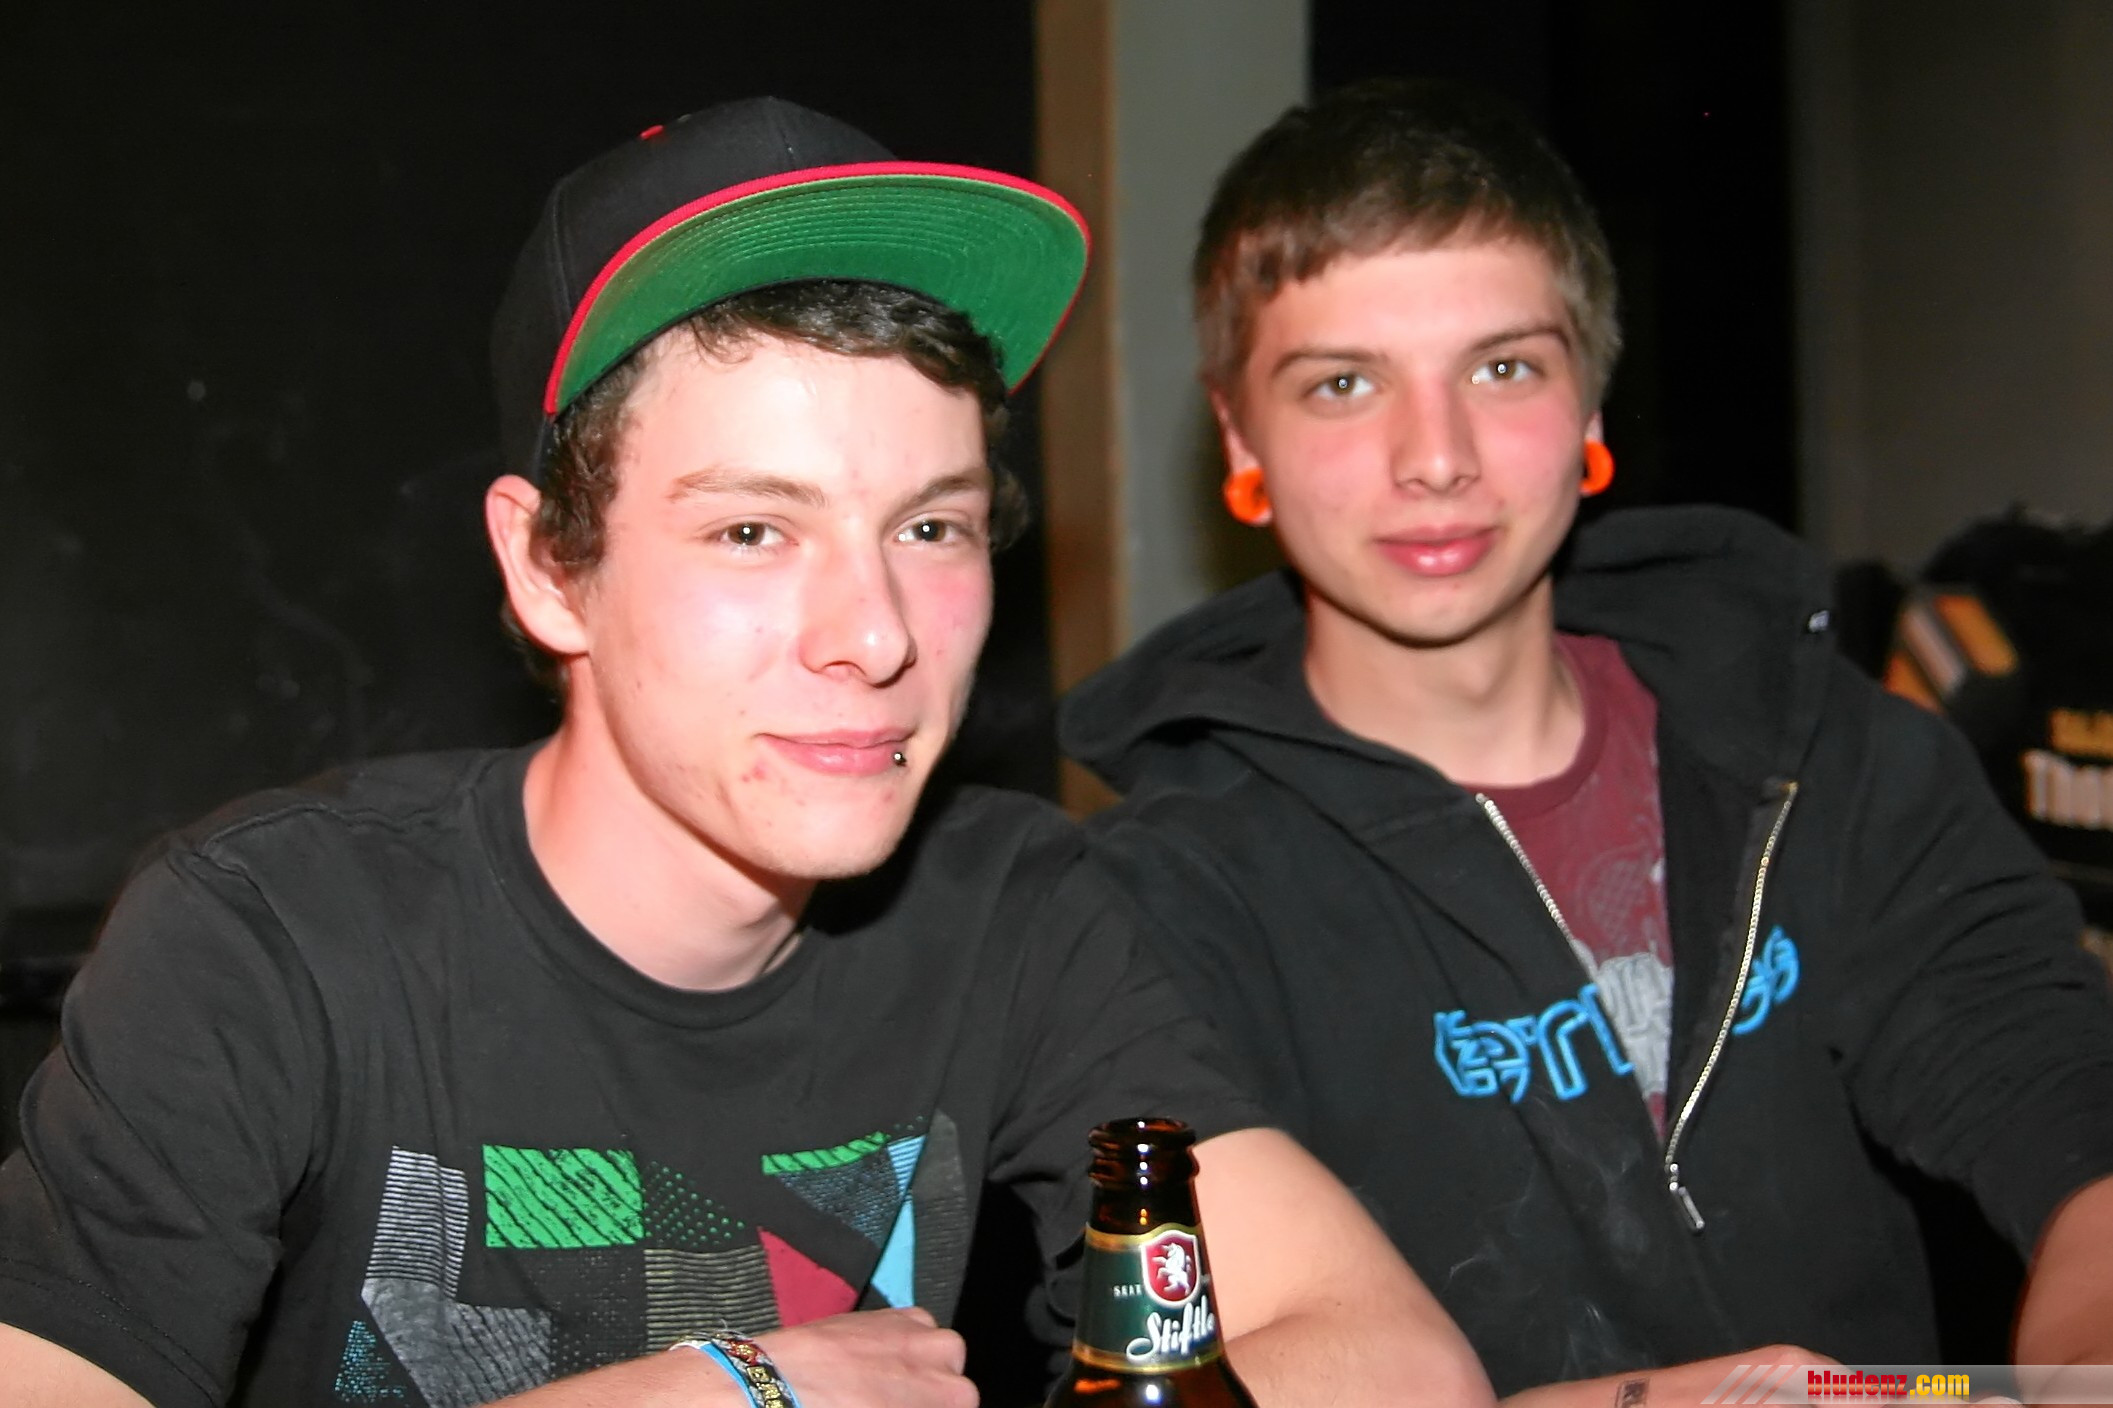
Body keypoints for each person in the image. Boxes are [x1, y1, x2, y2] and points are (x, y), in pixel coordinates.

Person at [0, 98, 1491, 1408]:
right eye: (752, 531)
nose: (875, 635)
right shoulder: (271, 940)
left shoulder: (1012, 913)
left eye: (931, 525)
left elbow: (1392, 1362)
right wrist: (715, 1393)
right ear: (548, 568)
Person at [1058, 78, 2113, 1403]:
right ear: (1239, 436)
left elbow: (2065, 1115)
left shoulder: (1822, 752)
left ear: (1591, 407)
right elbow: (1187, 1369)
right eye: (1342, 384)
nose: (1434, 457)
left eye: (1502, 368)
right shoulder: (1154, 900)